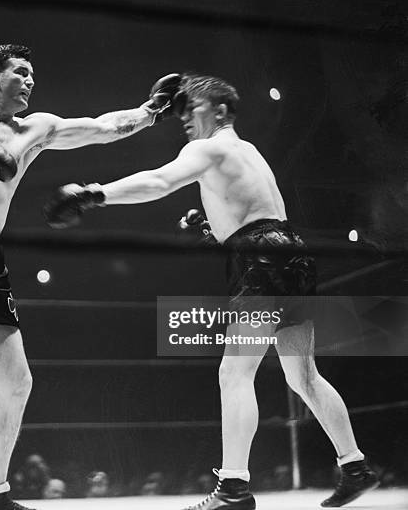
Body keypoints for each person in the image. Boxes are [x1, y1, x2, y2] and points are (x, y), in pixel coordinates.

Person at [43, 74, 380, 509]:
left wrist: (94, 194)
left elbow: (160, 182)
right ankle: (355, 466)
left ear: (219, 111)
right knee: (303, 376)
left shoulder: (207, 147)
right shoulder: (248, 151)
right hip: (290, 256)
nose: (185, 119)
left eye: (193, 109)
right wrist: (213, 229)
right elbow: (255, 213)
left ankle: (234, 490)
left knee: (234, 374)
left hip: (260, 262)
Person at [0, 43, 181, 510]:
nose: (30, 81)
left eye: (33, 74)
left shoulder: (35, 129)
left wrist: (152, 112)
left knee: (17, 381)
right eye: (21, 72)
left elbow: (102, 128)